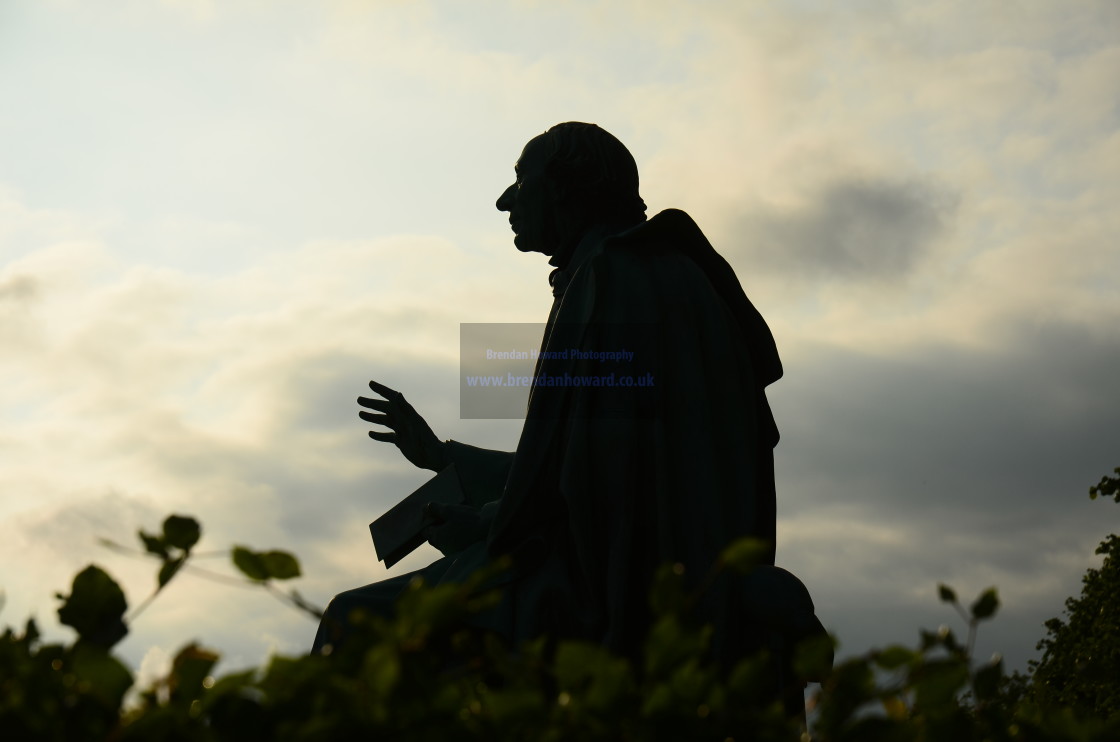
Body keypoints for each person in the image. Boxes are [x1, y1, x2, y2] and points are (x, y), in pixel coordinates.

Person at [313, 123, 788, 664]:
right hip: (642, 572)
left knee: (354, 625)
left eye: (521, 179)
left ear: (565, 187)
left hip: (608, 592)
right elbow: (590, 458)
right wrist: (444, 458)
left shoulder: (609, 283)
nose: (504, 200)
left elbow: (596, 484)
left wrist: (485, 523)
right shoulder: (654, 274)